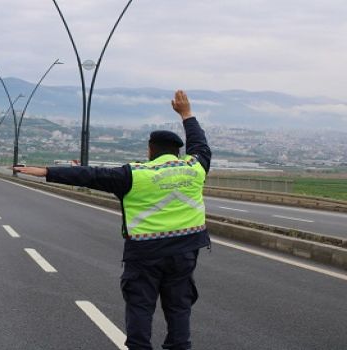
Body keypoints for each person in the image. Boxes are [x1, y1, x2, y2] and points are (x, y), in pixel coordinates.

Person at [14, 90, 211, 350]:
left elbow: (90, 175)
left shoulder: (134, 175)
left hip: (145, 254)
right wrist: (187, 114)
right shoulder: (195, 168)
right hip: (185, 253)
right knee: (179, 308)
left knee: (140, 307)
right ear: (177, 152)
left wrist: (47, 171)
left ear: (150, 150)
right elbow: (200, 145)